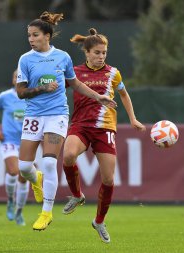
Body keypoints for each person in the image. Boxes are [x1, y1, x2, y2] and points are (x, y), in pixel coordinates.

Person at [15, 11, 117, 231]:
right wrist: (42, 88)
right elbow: (21, 93)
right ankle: (37, 179)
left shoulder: (62, 57)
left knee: (50, 161)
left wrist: (98, 96)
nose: (31, 39)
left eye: (35, 35)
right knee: (24, 167)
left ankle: (46, 212)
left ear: (47, 36)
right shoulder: (25, 59)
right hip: (33, 115)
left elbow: (77, 84)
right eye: (29, 36)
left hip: (57, 115)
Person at [62, 28, 146, 243]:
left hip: (105, 127)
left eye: (104, 53)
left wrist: (133, 118)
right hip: (80, 125)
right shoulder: (74, 72)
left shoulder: (113, 73)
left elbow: (124, 95)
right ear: (87, 52)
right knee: (68, 155)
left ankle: (99, 221)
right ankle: (78, 195)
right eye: (97, 52)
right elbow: (57, 91)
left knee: (108, 179)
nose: (101, 57)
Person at [0, 70, 29, 226]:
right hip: (9, 140)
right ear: (13, 80)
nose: (18, 79)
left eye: (21, 77)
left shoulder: (32, 97)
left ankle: (19, 211)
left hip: (27, 141)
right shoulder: (5, 96)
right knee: (13, 171)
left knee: (23, 177)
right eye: (16, 77)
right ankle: (11, 200)